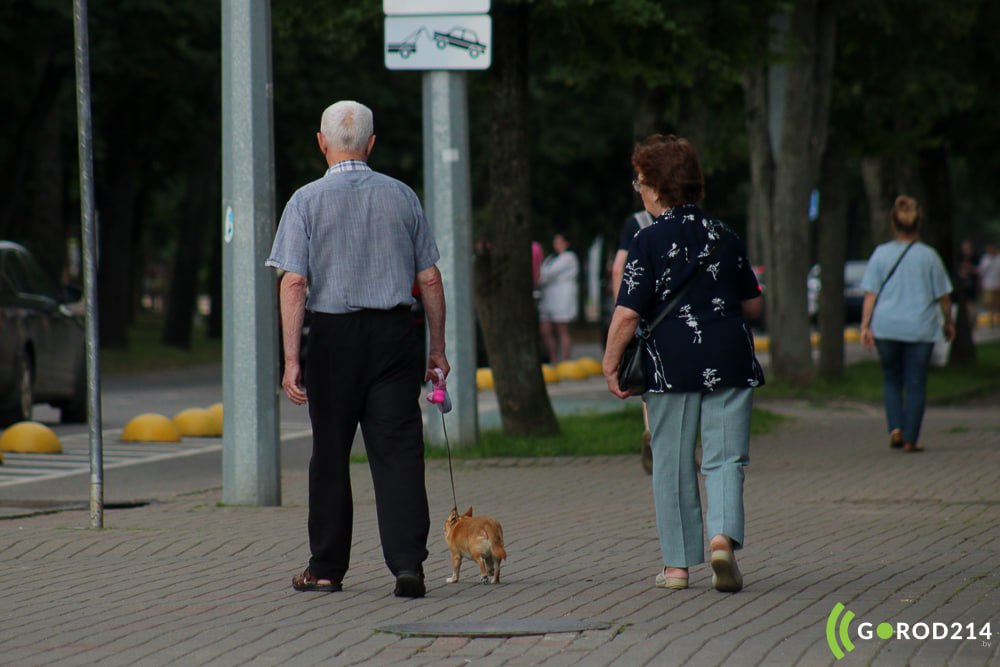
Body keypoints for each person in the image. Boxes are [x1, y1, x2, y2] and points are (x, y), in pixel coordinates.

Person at [266, 100, 448, 598]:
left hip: (332, 339)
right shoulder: (402, 196)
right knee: (399, 450)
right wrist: (437, 349)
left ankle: (326, 568)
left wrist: (292, 360)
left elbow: (293, 283)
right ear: (371, 144)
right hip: (394, 337)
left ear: (321, 143)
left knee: (329, 452)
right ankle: (408, 564)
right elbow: (430, 278)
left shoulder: (305, 200)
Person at [602, 135, 765, 593]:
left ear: (656, 187)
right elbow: (753, 304)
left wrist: (610, 364)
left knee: (672, 463)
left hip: (670, 363)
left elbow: (627, 312)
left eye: (640, 182)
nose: (640, 191)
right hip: (730, 358)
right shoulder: (725, 235)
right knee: (726, 457)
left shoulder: (647, 239)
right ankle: (721, 540)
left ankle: (676, 568)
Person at [859, 195, 955, 453]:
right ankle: (911, 438)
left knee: (891, 378)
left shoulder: (880, 254)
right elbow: (944, 297)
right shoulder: (930, 257)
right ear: (918, 225)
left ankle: (895, 428)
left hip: (886, 327)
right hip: (920, 328)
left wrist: (865, 326)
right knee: (915, 382)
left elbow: (871, 295)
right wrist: (948, 322)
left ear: (893, 224)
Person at [611, 210, 656, 474]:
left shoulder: (638, 223)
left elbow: (619, 267)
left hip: (647, 316)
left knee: (648, 374)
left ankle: (651, 431)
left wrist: (624, 308)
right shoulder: (699, 223)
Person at [538, 232, 579, 362]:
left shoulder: (569, 257)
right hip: (549, 297)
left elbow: (548, 274)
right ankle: (554, 359)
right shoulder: (550, 258)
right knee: (546, 329)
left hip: (563, 297)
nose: (557, 244)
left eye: (560, 241)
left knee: (562, 329)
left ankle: (565, 360)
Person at [957, 239, 980, 327]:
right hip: (964, 284)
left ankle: (971, 321)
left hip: (972, 284)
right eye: (964, 248)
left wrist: (970, 269)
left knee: (971, 304)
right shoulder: (960, 258)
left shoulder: (975, 258)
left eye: (967, 248)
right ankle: (968, 322)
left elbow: (979, 271)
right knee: (965, 304)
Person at [978, 242, 1000, 327]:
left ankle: (996, 320)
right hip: (988, 285)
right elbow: (981, 272)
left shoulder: (998, 259)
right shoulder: (985, 259)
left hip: (997, 285)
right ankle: (991, 320)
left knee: (997, 304)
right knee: (989, 304)